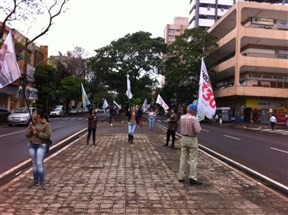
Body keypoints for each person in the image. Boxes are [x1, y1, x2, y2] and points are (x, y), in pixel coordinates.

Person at [25, 109, 52, 190]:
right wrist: (31, 130)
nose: (33, 114)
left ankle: (42, 182)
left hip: (41, 145)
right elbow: (27, 135)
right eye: (33, 113)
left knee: (39, 163)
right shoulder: (31, 123)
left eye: (35, 113)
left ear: (39, 115)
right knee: (34, 164)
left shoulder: (46, 124)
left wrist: (37, 133)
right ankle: (35, 181)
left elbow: (47, 136)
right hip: (32, 145)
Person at [178, 103, 203, 185]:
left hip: (184, 138)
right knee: (193, 159)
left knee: (183, 158)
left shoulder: (182, 117)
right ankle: (192, 177)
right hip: (192, 139)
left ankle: (181, 176)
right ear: (193, 111)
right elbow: (198, 130)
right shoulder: (194, 119)